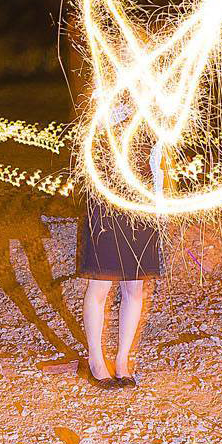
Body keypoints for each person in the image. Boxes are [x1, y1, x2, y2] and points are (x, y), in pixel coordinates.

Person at [74, 101, 165, 390]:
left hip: (141, 207)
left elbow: (156, 161)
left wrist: (159, 206)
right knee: (100, 286)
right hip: (107, 206)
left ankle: (123, 361)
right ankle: (96, 361)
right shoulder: (104, 103)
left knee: (133, 287)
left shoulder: (153, 109)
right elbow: (91, 144)